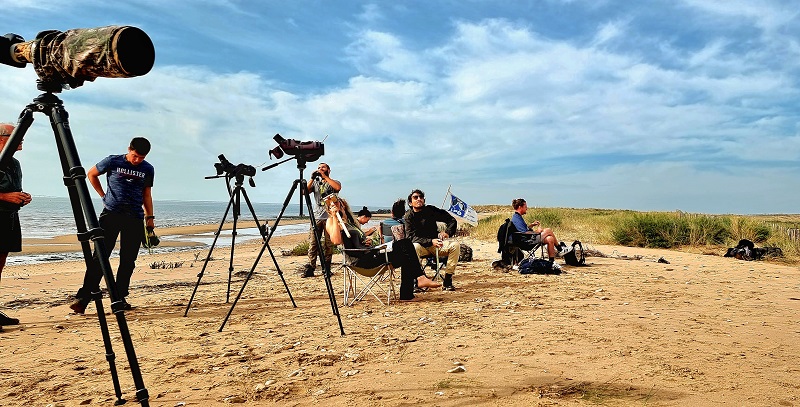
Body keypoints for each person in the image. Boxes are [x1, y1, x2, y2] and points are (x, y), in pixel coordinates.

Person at [69, 137, 155, 314]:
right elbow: (91, 174)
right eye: (135, 156)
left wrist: (150, 218)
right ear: (129, 149)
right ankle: (84, 297)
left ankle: (119, 297)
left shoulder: (148, 169)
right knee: (100, 256)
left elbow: (147, 194)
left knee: (128, 260)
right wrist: (103, 196)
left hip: (135, 217)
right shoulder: (113, 161)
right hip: (111, 215)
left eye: (142, 157)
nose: (137, 160)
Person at [325, 196, 440, 301]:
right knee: (405, 245)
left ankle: (407, 294)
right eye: (333, 203)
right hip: (361, 261)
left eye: (337, 202)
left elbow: (358, 241)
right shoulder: (331, 221)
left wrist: (366, 241)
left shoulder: (351, 223)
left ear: (343, 204)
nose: (336, 204)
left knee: (406, 250)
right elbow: (336, 241)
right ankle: (419, 278)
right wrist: (334, 216)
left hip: (370, 253)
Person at [0, 123, 31, 328]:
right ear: (2, 138)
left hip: (10, 218)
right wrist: (4, 196)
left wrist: (22, 197)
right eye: (17, 137)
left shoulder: (15, 163)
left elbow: (13, 189)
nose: (21, 141)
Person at [403, 189, 460, 291]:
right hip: (421, 247)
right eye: (415, 197)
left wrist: (447, 232)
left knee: (455, 245)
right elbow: (410, 237)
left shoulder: (431, 210)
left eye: (421, 197)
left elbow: (451, 220)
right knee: (413, 247)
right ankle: (417, 280)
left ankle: (448, 280)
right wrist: (430, 241)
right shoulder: (408, 216)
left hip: (436, 246)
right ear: (410, 203)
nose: (419, 199)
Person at [299, 162, 341, 278]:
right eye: (318, 167)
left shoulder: (333, 182)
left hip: (330, 218)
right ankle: (310, 268)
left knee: (328, 244)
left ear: (328, 169)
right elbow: (304, 192)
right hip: (316, 217)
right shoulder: (315, 183)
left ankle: (326, 268)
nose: (320, 169)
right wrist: (312, 179)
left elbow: (337, 187)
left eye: (323, 167)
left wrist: (325, 177)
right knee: (313, 243)